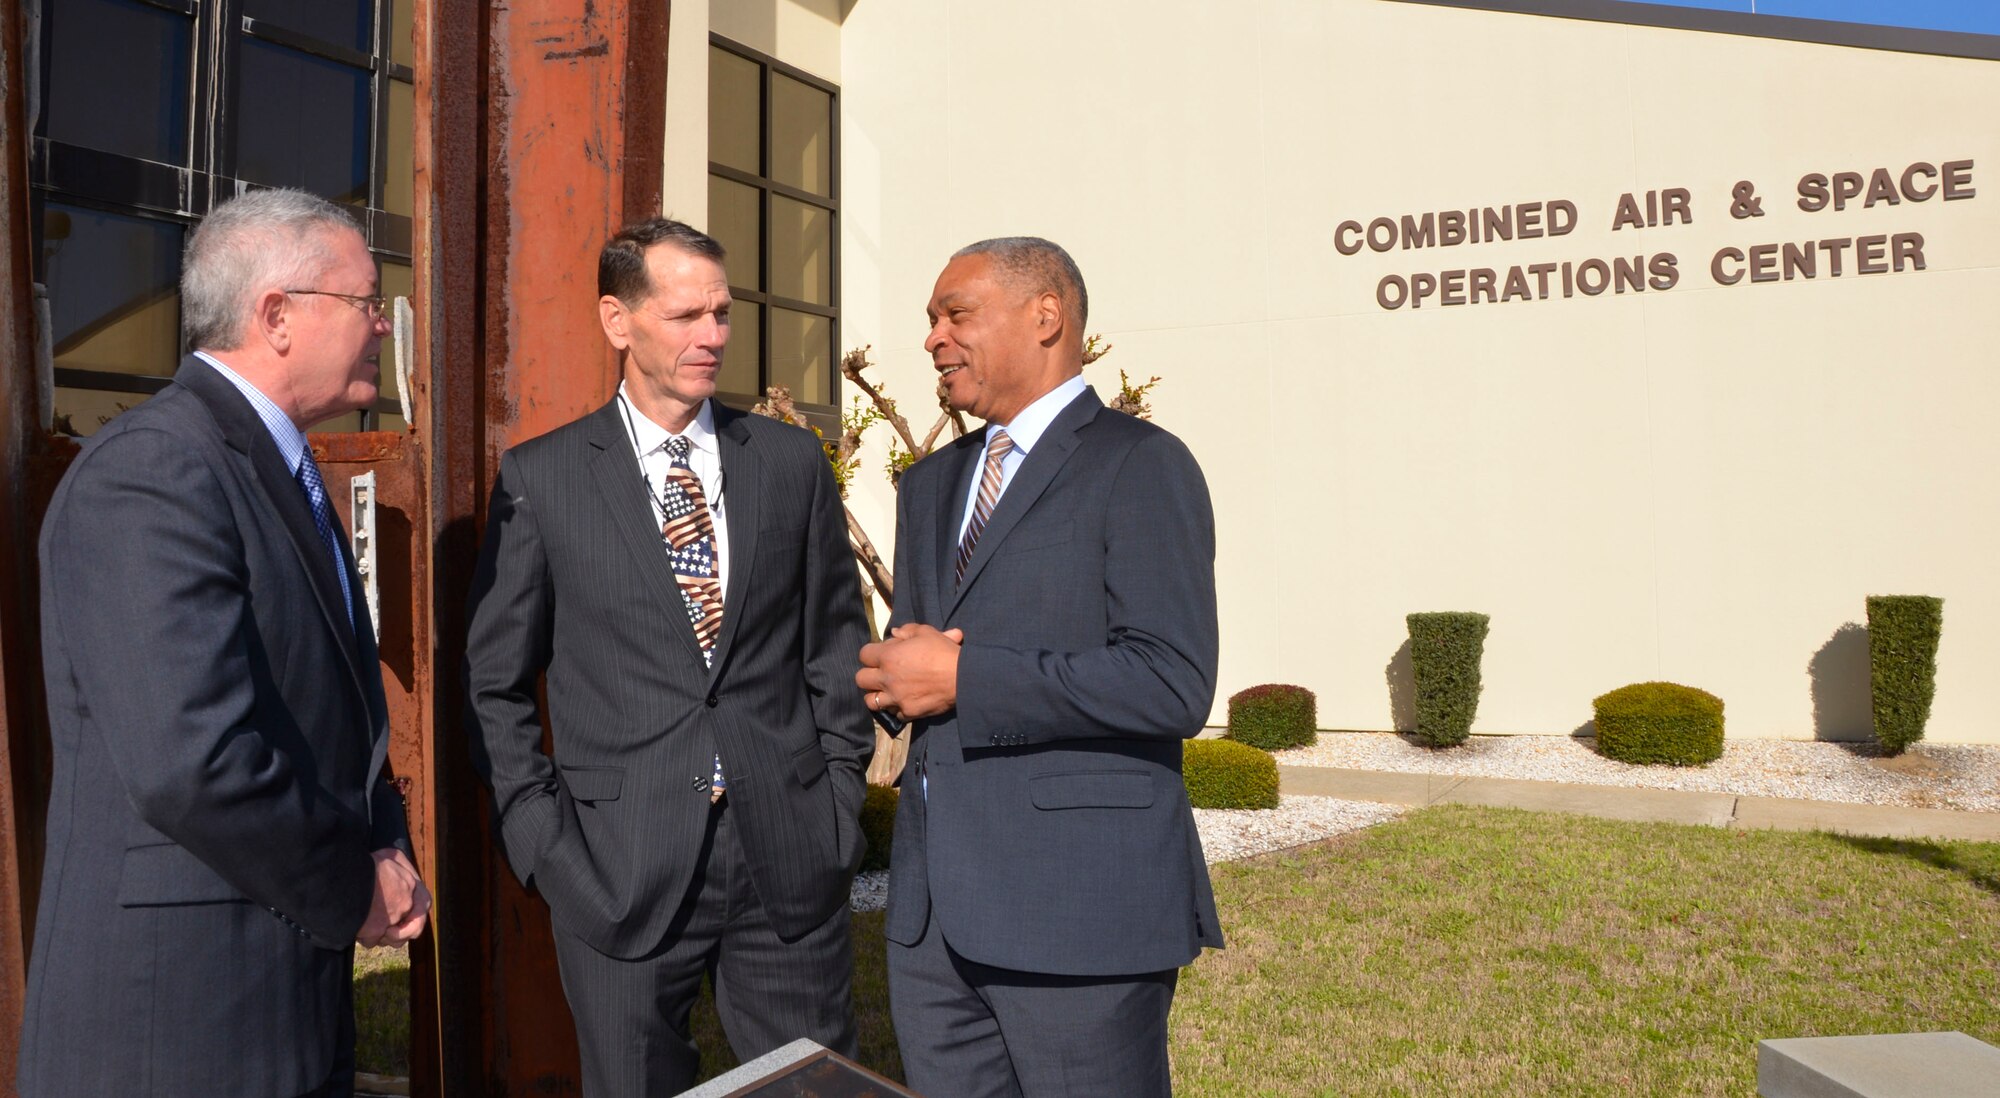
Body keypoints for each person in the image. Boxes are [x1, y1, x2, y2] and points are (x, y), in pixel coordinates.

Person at [19, 189, 429, 1097]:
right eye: (366, 303)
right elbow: (191, 759)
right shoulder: (156, 469)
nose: (380, 329)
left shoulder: (271, 466)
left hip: (271, 998)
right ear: (277, 316)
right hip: (181, 1026)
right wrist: (351, 883)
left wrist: (382, 843)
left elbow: (320, 707)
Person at [464, 218, 872, 1095]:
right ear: (618, 320)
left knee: (814, 1087)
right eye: (687, 315)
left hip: (788, 858)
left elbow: (836, 645)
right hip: (616, 866)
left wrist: (838, 804)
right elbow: (494, 686)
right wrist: (543, 841)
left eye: (722, 313)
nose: (714, 336)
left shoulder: (790, 463)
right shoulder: (545, 477)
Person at [857, 237, 1223, 1097]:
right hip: (932, 926)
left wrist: (966, 679)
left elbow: (1172, 679)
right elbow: (921, 660)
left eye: (957, 314)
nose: (933, 339)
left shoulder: (1140, 464)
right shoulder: (932, 484)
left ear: (1045, 315)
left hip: (1079, 914)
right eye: (930, 320)